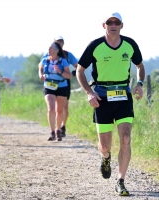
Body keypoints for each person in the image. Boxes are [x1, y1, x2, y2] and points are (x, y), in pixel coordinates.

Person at [76, 12, 145, 196]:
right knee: (105, 146)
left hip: (123, 95)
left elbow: (140, 66)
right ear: (103, 25)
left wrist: (139, 84)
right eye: (109, 22)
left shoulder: (130, 44)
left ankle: (121, 181)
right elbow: (80, 70)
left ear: (122, 25)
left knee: (126, 139)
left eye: (116, 22)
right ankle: (106, 158)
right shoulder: (95, 46)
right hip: (101, 97)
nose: (113, 25)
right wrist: (89, 93)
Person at [41, 36, 78, 137]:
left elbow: (78, 66)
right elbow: (40, 65)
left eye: (61, 41)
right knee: (52, 108)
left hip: (64, 82)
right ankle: (54, 130)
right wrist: (41, 74)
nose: (60, 43)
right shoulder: (48, 54)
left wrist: (73, 74)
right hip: (50, 84)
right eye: (57, 42)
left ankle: (63, 127)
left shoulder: (67, 55)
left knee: (63, 107)